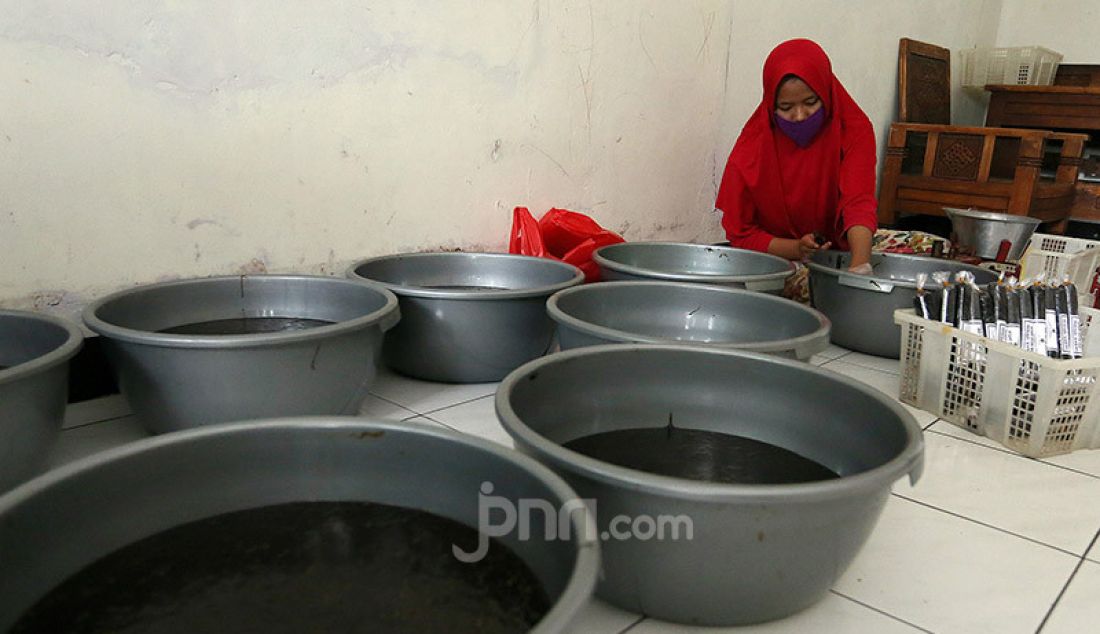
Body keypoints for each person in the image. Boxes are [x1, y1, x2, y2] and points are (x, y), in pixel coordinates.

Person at [716, 38, 876, 275]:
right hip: (779, 255)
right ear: (771, 105)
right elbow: (741, 233)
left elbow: (858, 202)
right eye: (786, 107)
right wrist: (796, 248)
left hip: (842, 249)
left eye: (810, 102)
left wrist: (860, 268)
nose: (800, 116)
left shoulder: (852, 129)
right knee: (802, 286)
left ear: (826, 93)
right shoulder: (753, 147)